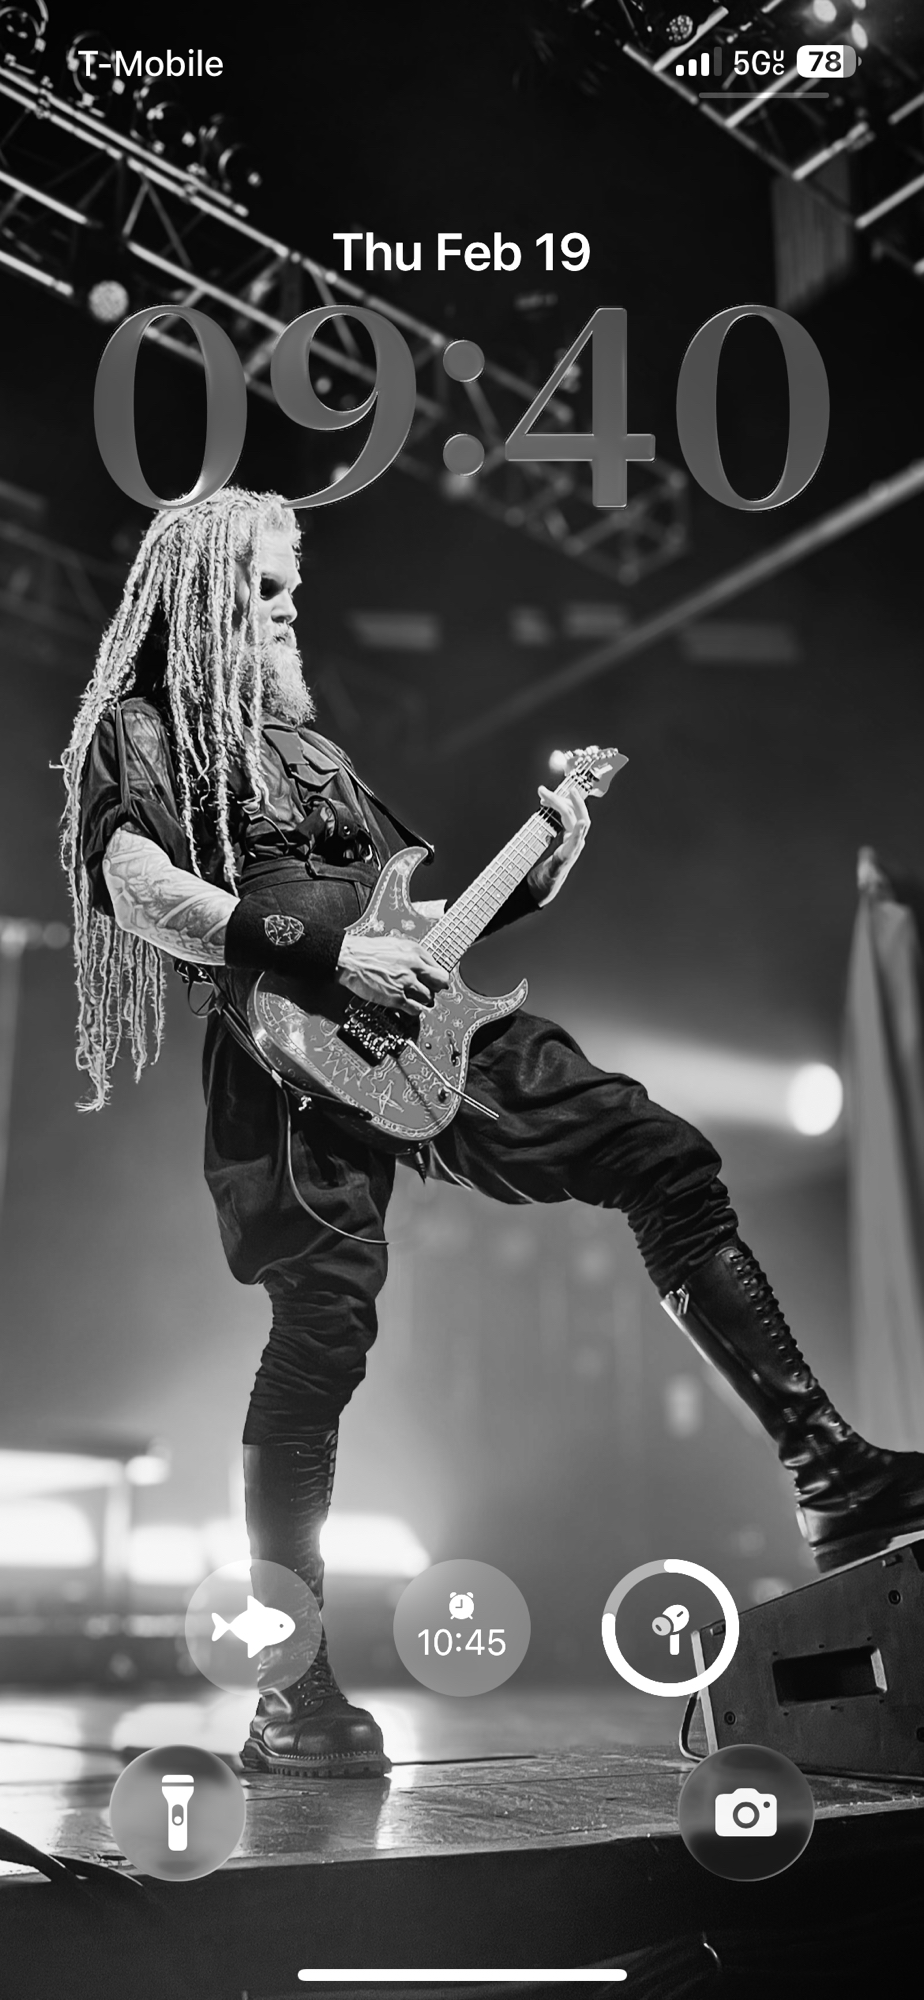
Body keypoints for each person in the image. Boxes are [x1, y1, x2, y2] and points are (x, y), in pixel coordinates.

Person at [62, 487, 924, 1779]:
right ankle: (291, 1692)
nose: (290, 611)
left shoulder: (312, 751)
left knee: (662, 1157)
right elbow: (137, 888)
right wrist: (327, 957)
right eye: (262, 591)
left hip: (421, 1026)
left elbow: (414, 929)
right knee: (322, 1332)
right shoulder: (147, 729)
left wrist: (539, 867)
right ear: (194, 603)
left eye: (294, 587)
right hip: (284, 1052)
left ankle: (831, 1475)